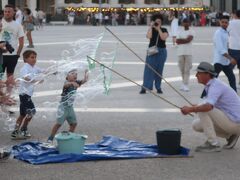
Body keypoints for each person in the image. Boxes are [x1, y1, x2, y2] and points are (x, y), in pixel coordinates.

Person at [181, 62, 240, 152]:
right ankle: (230, 135)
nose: (196, 75)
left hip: (235, 123)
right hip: (232, 121)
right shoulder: (212, 84)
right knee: (196, 125)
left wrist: (190, 109)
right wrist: (194, 108)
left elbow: (208, 107)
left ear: (207, 74)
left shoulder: (215, 86)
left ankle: (213, 144)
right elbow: (207, 104)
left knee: (203, 110)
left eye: (199, 73)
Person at [47, 69, 88, 143]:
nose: (75, 75)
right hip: (63, 107)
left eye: (76, 74)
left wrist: (86, 73)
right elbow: (66, 85)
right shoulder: (66, 83)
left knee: (74, 124)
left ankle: (69, 137)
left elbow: (84, 80)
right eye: (72, 73)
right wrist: (72, 83)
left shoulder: (76, 82)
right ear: (67, 76)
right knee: (58, 124)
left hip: (70, 107)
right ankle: (50, 138)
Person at [11, 50, 44, 140]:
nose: (34, 59)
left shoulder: (34, 67)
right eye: (32, 57)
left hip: (27, 95)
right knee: (31, 112)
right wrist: (36, 80)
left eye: (35, 57)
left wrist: (53, 71)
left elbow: (43, 71)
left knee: (23, 114)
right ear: (25, 59)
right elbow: (26, 77)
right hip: (24, 94)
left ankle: (16, 131)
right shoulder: (25, 68)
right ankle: (23, 129)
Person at [140, 14, 168, 94]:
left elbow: (163, 37)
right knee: (148, 69)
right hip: (152, 51)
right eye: (156, 22)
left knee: (159, 70)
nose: (158, 23)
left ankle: (158, 87)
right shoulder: (151, 29)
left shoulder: (164, 29)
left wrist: (159, 29)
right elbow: (149, 36)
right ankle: (145, 87)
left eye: (159, 22)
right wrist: (151, 27)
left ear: (161, 22)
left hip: (161, 51)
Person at [1, 4, 24, 93]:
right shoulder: (0, 23)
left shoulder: (18, 25)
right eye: (5, 11)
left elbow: (21, 42)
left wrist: (17, 54)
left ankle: (8, 96)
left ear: (13, 13)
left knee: (10, 76)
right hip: (1, 55)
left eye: (9, 12)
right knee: (0, 76)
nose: (7, 13)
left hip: (12, 55)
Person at [213, 15, 237, 92]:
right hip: (219, 61)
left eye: (226, 22)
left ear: (228, 23)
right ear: (219, 22)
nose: (224, 24)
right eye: (222, 22)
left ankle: (235, 97)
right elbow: (221, 49)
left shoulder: (227, 32)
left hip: (226, 62)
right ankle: (204, 97)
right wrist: (230, 58)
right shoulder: (218, 33)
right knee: (212, 80)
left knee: (232, 78)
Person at [176, 18, 195, 92]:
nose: (186, 24)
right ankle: (184, 83)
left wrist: (182, 40)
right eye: (184, 22)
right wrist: (185, 40)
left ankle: (185, 84)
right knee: (182, 69)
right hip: (180, 52)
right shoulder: (179, 31)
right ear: (182, 23)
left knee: (187, 69)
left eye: (187, 22)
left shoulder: (192, 31)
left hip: (188, 53)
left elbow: (189, 40)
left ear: (189, 23)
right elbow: (177, 41)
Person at [228, 10, 240, 86]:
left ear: (235, 15)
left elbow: (227, 32)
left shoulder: (231, 22)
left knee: (229, 68)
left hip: (233, 47)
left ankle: (232, 83)